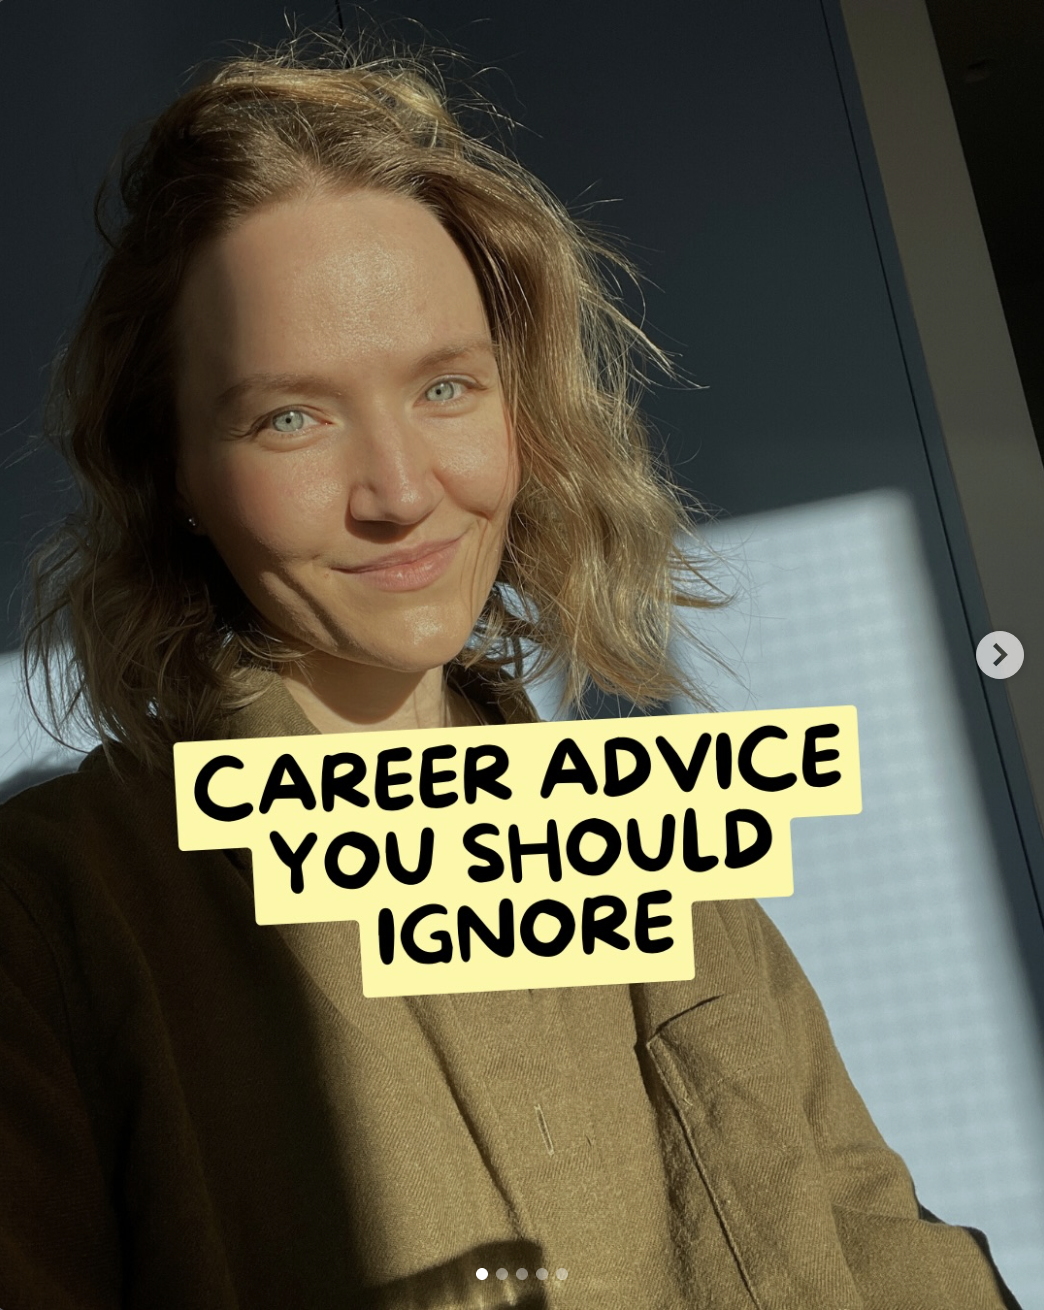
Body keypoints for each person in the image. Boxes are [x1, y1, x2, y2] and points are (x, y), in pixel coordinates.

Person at [0, 38, 1021, 1310]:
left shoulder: (640, 833)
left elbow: (878, 1238)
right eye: (290, 417)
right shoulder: (54, 910)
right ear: (179, 476)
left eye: (445, 386)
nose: (403, 493)